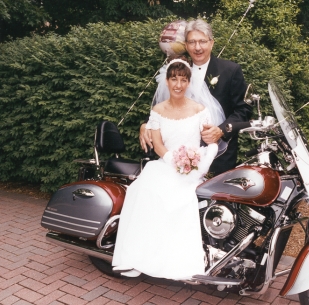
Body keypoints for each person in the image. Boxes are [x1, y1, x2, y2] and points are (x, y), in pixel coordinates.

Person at [112, 58, 217, 279]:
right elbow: (158, 145)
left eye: (183, 79)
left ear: (189, 82)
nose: (178, 84)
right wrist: (175, 162)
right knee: (141, 191)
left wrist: (201, 163)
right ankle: (136, 258)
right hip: (165, 165)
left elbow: (210, 141)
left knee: (182, 199)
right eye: (173, 79)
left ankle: (176, 263)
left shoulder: (200, 110)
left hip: (192, 170)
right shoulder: (158, 111)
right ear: (166, 82)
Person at [140, 19, 252, 176]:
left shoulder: (230, 70)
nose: (197, 47)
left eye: (202, 42)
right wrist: (145, 124)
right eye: (192, 42)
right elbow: (165, 105)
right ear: (186, 45)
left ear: (211, 43)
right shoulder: (179, 70)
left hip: (218, 156)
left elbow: (244, 110)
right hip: (177, 157)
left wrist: (221, 130)